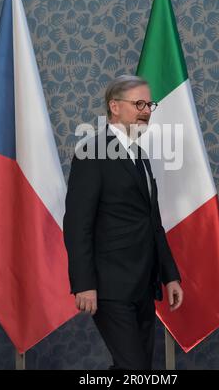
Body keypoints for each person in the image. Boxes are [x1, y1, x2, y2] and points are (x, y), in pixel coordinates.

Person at [63, 75, 183, 370]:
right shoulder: (91, 154)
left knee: (135, 368)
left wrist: (170, 275)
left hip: (144, 283)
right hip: (109, 287)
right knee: (134, 369)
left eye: (149, 104)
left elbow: (152, 222)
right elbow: (77, 224)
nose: (146, 110)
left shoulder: (140, 156)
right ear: (114, 106)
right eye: (138, 103)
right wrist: (84, 283)